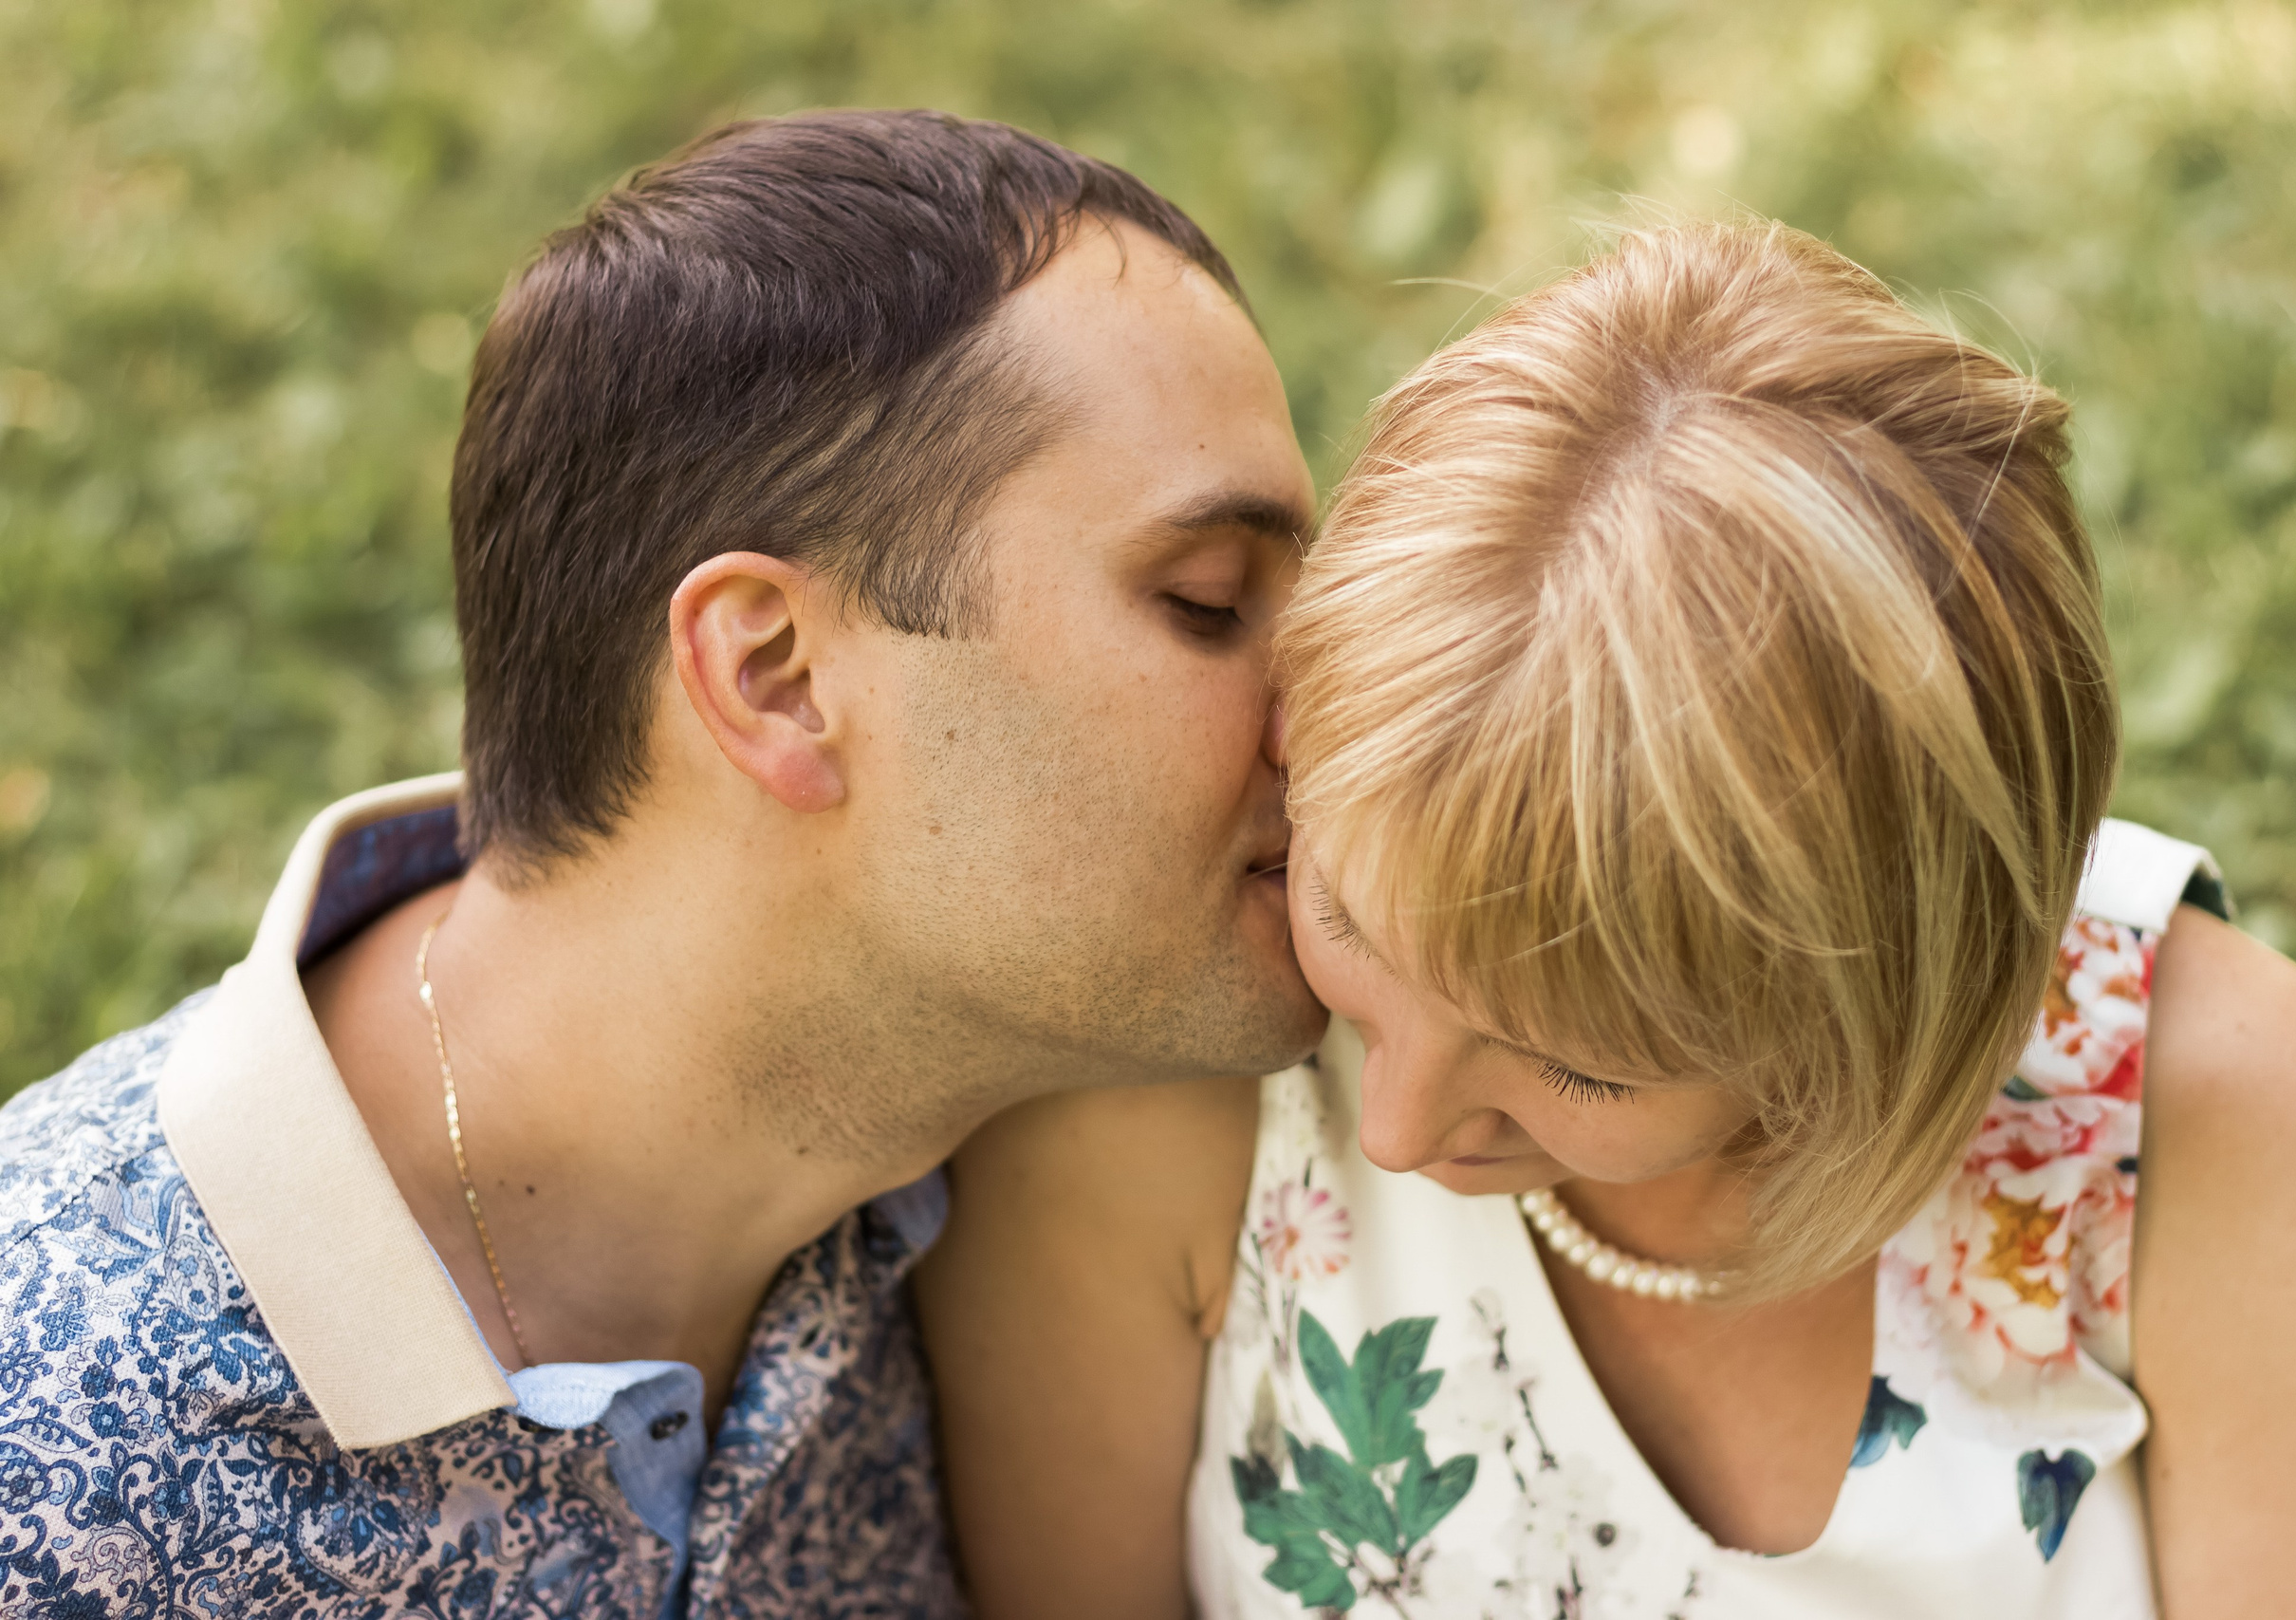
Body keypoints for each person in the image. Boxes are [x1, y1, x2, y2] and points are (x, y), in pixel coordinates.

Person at [918, 221, 2296, 1617]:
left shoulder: (2189, 1110)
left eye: (1577, 1066)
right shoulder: (1153, 1086)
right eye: (1354, 920)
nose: (1394, 1127)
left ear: (1876, 1019)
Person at [0, 109, 1327, 1616]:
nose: (1341, 709)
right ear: (772, 675)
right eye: (1210, 602)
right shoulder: (45, 1453)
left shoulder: (1040, 1182)